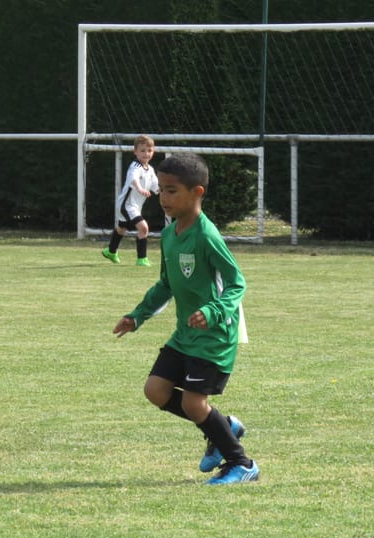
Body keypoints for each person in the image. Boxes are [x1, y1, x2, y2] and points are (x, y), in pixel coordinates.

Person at [112, 152, 258, 485]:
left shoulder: (206, 236)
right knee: (156, 390)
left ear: (197, 193)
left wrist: (212, 311)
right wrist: (137, 316)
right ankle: (221, 425)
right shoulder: (171, 233)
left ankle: (242, 463)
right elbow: (166, 284)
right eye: (161, 189)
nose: (163, 197)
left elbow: (237, 282)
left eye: (172, 190)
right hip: (185, 334)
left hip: (215, 335)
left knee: (194, 403)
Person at [101, 135, 160, 266]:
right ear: (135, 152)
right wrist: (139, 188)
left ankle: (111, 251)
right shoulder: (135, 166)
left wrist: (166, 192)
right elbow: (134, 179)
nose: (146, 154)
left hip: (135, 206)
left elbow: (156, 187)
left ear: (153, 152)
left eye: (149, 151)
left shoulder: (150, 170)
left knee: (122, 228)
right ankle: (142, 259)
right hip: (126, 205)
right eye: (142, 150)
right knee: (144, 228)